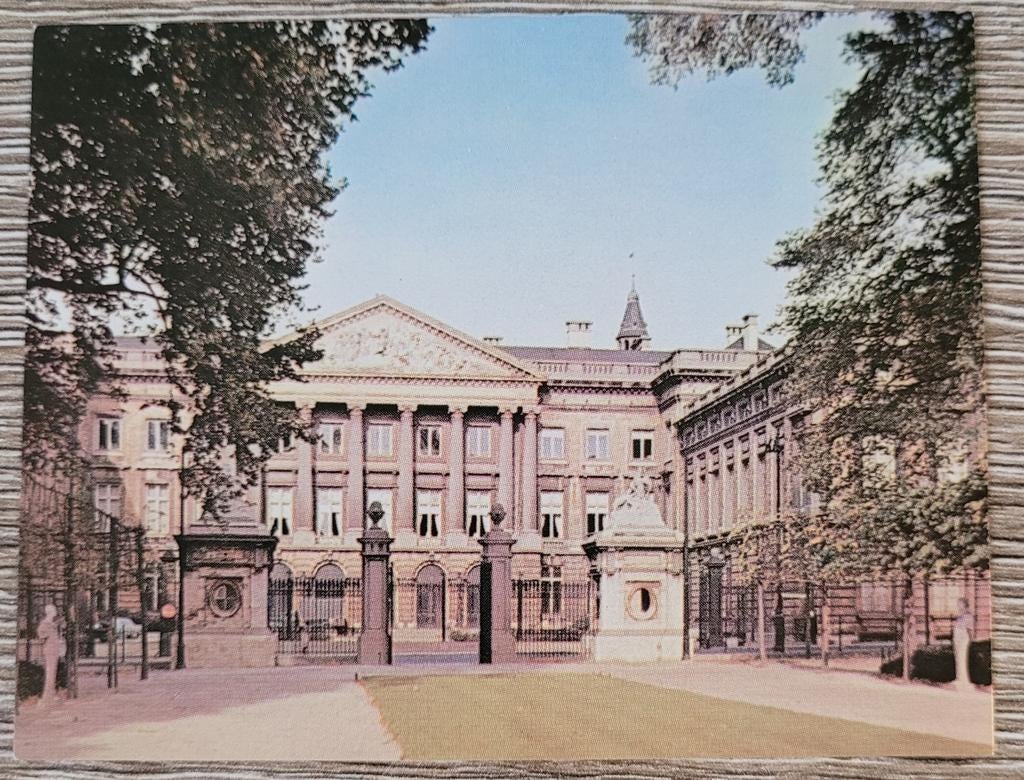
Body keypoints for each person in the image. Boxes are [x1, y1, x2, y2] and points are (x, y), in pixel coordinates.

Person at [36, 604, 64, 703]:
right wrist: (48, 633)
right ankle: (48, 696)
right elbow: (41, 634)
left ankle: (51, 694)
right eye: (54, 610)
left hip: (54, 650)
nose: (56, 612)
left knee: (52, 673)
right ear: (50, 612)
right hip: (50, 651)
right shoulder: (45, 623)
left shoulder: (51, 623)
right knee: (50, 673)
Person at [953, 597, 974, 692]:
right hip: (957, 638)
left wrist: (970, 639)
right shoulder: (959, 616)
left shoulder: (968, 616)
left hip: (963, 638)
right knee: (958, 659)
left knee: (962, 659)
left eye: (960, 604)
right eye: (958, 604)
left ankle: (964, 681)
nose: (958, 606)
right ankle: (959, 678)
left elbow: (969, 629)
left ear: (964, 605)